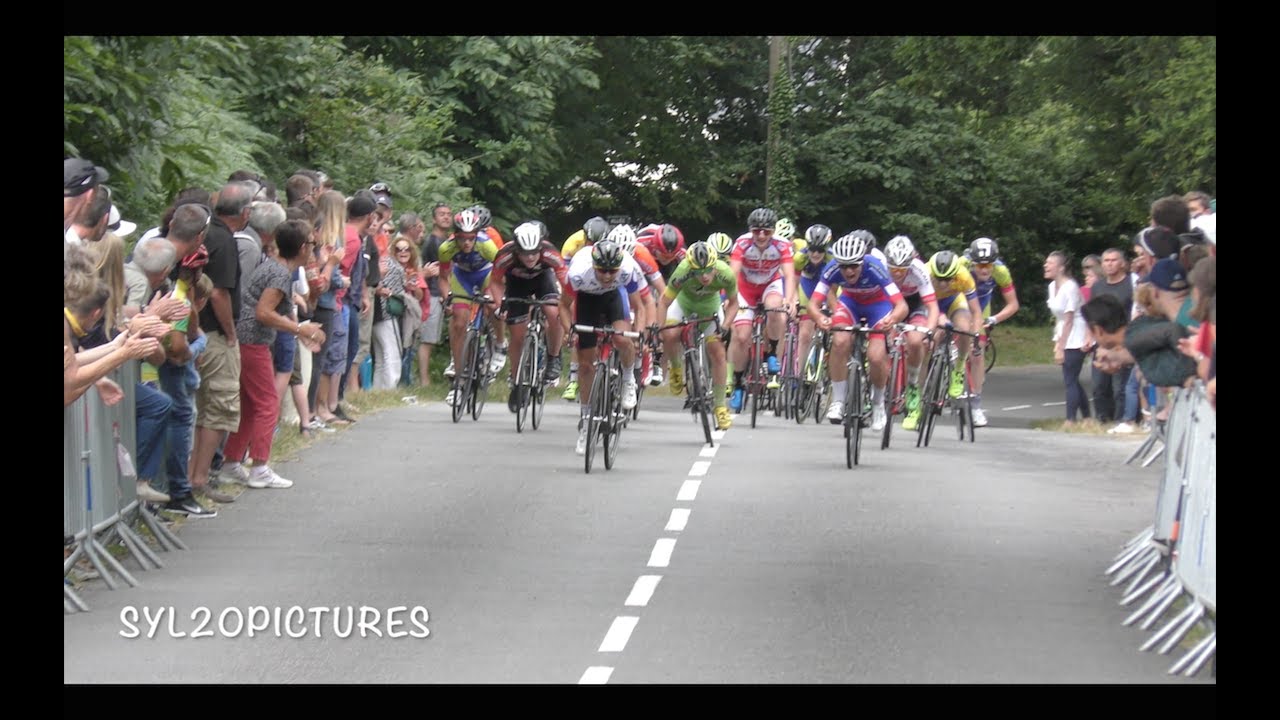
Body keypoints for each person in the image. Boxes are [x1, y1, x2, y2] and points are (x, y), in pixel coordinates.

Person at [218, 219, 326, 490]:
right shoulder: (279, 274)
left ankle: (231, 462)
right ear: (302, 248)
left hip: (247, 340)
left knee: (250, 404)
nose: (315, 248)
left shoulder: (274, 267)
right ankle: (260, 467)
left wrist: (298, 330)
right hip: (252, 342)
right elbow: (263, 313)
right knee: (267, 404)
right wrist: (300, 328)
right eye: (313, 244)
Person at [809, 232, 907, 431]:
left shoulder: (875, 267)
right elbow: (813, 304)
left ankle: (878, 402)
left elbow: (901, 306)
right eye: (844, 266)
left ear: (863, 261)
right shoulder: (832, 269)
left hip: (878, 306)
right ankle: (838, 400)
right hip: (850, 304)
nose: (849, 271)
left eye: (854, 265)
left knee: (876, 356)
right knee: (840, 341)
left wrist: (893, 319)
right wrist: (820, 318)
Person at [563, 240, 648, 454]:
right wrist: (569, 330)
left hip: (613, 298)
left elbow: (639, 306)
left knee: (622, 339)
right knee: (585, 365)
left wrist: (638, 333)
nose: (608, 276)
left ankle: (628, 379)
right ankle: (586, 420)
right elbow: (562, 306)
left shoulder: (627, 270)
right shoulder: (577, 273)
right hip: (587, 300)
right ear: (593, 265)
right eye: (602, 271)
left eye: (612, 271)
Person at [659, 241, 739, 431]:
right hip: (683, 304)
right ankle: (676, 369)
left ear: (715, 265)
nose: (704, 276)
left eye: (708, 271)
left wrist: (726, 326)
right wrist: (659, 329)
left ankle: (720, 406)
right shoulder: (682, 271)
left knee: (718, 353)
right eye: (698, 272)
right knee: (670, 334)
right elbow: (663, 302)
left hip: (709, 308)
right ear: (690, 268)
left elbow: (734, 303)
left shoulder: (725, 273)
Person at [489, 221, 568, 411]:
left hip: (544, 281)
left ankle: (553, 357)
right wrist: (500, 305)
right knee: (517, 335)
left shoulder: (550, 253)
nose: (531, 257)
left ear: (541, 246)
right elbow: (496, 282)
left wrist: (568, 308)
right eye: (525, 253)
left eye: (535, 252)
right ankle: (517, 382)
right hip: (517, 285)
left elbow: (567, 284)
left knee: (553, 313)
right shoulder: (504, 255)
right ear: (517, 250)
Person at [727, 207, 797, 413]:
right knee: (741, 337)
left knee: (775, 308)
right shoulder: (742, 243)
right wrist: (731, 300)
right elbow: (733, 273)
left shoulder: (782, 245)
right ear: (751, 230)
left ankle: (772, 353)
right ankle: (739, 384)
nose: (761, 235)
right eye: (757, 230)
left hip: (770, 285)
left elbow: (789, 276)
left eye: (767, 231)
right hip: (745, 288)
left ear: (773, 231)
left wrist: (790, 300)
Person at [882, 235, 939, 431]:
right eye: (893, 269)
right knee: (880, 338)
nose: (897, 273)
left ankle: (913, 387)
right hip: (889, 303)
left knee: (915, 342)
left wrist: (929, 332)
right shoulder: (881, 267)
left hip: (916, 304)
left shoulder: (919, 270)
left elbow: (932, 307)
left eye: (902, 269)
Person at [1044, 251, 1090, 425]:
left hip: (1076, 333)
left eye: (1050, 263)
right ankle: (1087, 417)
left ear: (1061, 267)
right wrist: (1057, 341)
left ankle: (1070, 419)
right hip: (1063, 330)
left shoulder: (1070, 286)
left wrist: (1061, 348)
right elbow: (1060, 318)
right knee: (1072, 378)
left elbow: (1070, 319)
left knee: (1070, 378)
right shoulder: (1051, 287)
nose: (1046, 266)